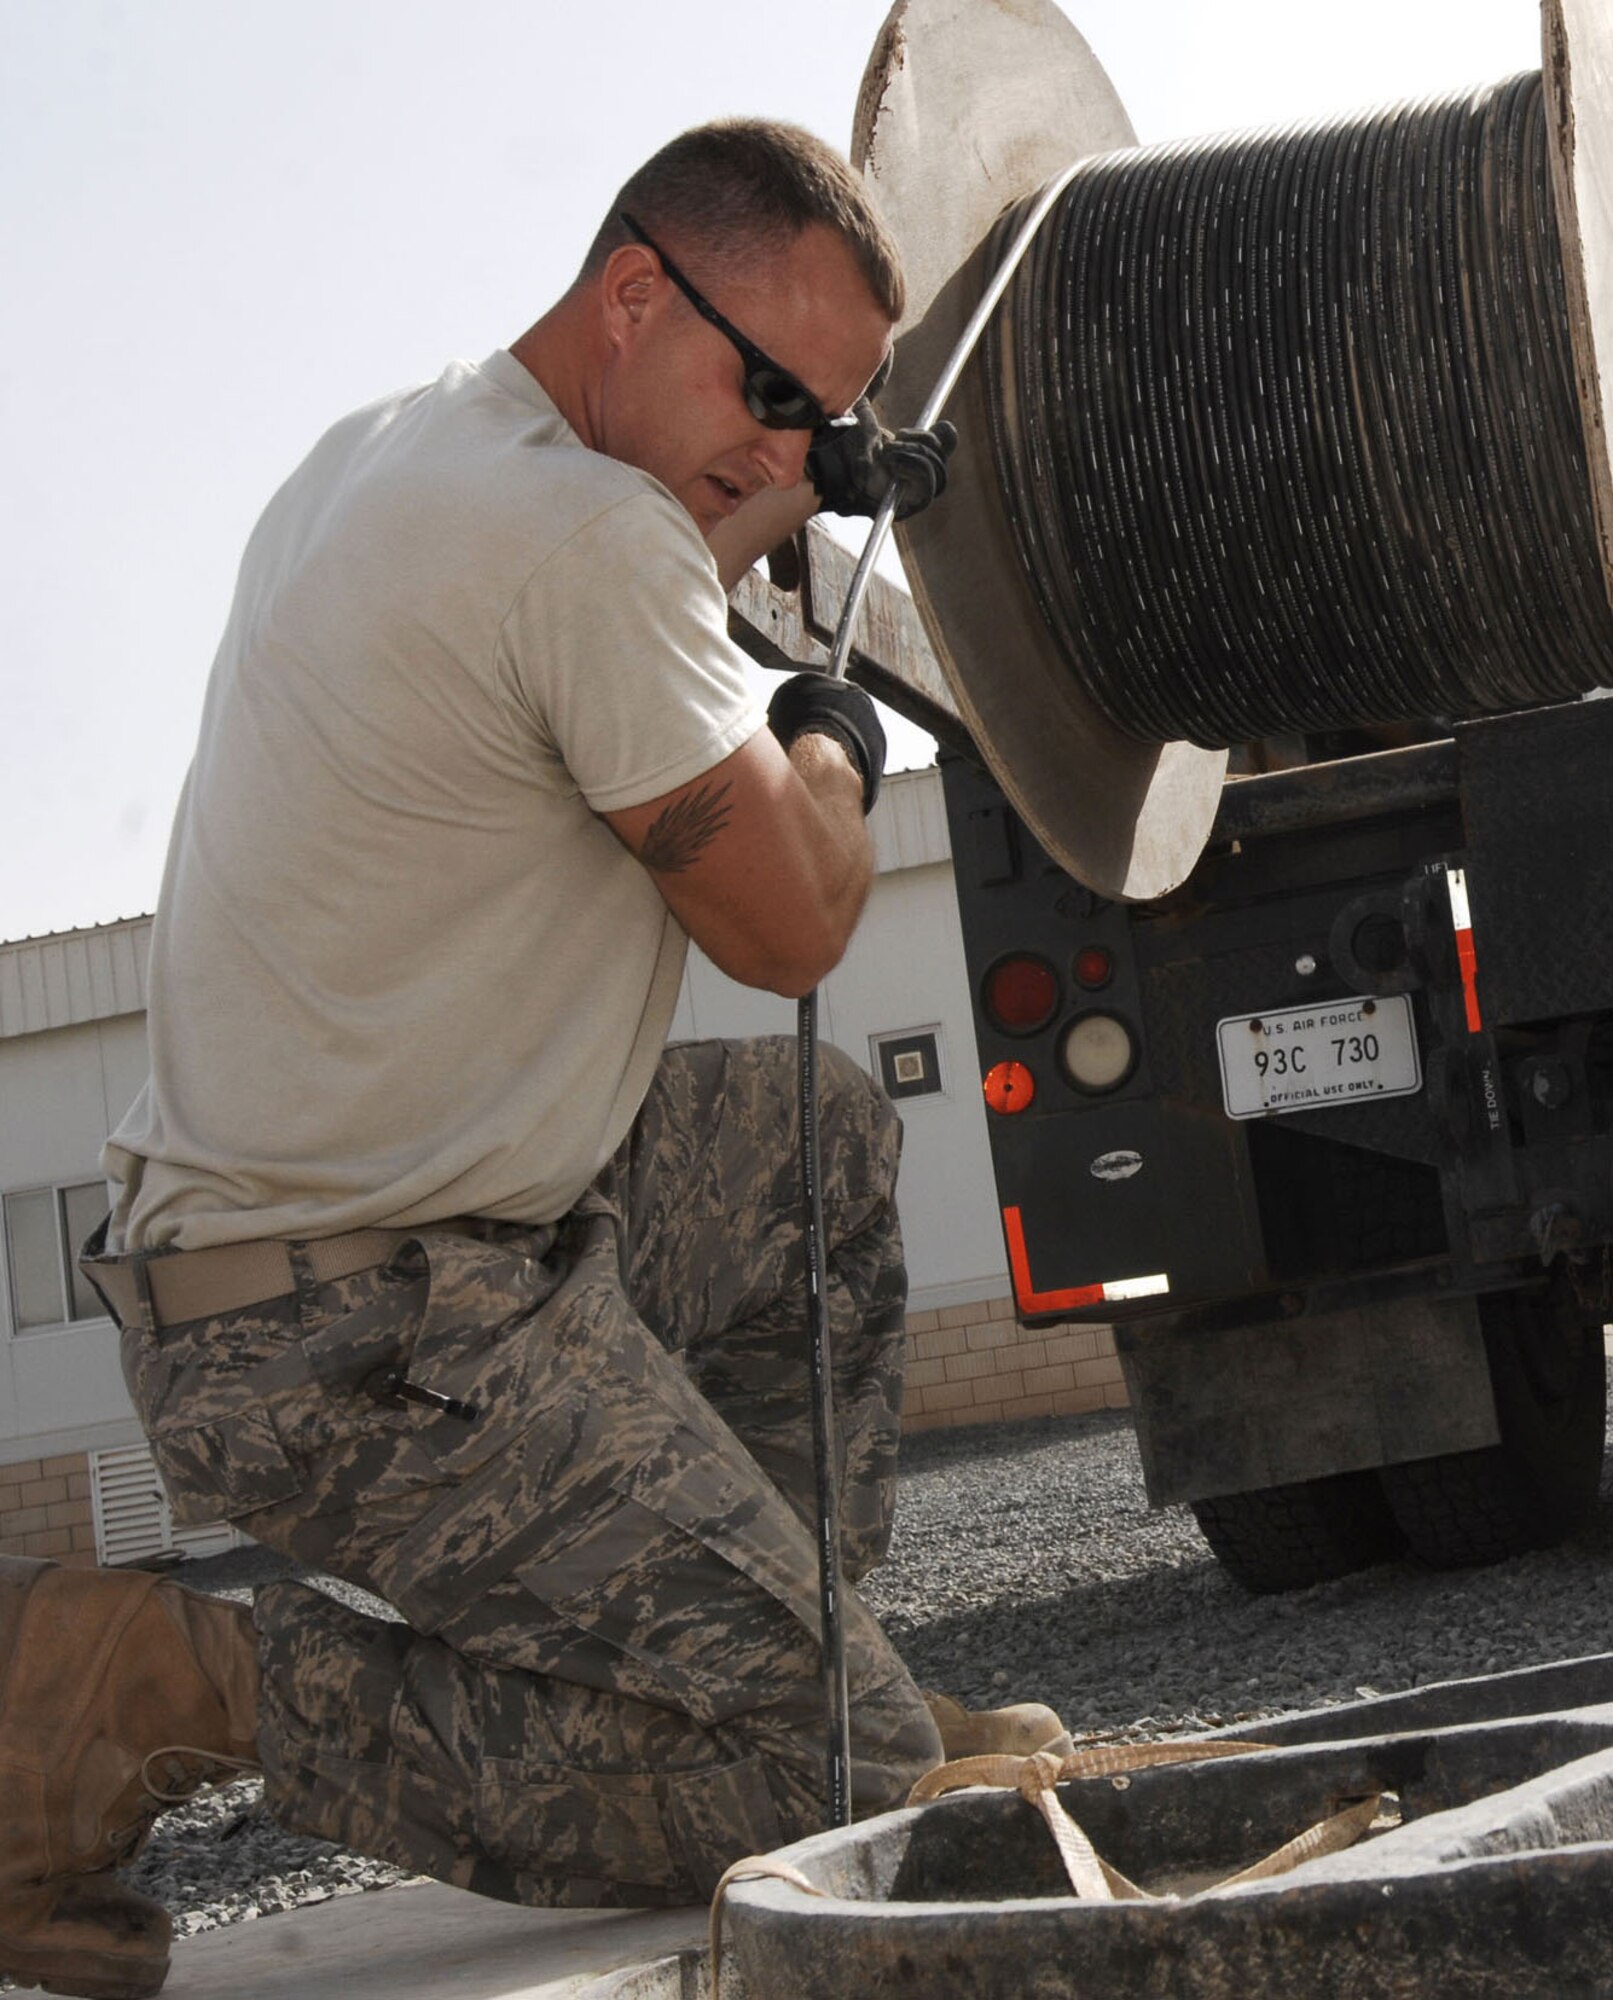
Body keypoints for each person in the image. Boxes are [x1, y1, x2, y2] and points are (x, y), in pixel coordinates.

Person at [0, 120, 1059, 2000]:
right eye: (765, 388)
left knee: (805, 1140)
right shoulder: (581, 541)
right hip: (351, 1335)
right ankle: (148, 1684)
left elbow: (614, 625)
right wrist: (828, 729)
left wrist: (746, 526)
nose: (784, 455)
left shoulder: (398, 445)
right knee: (841, 1783)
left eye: (824, 430)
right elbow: (795, 922)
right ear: (634, 290)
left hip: (369, 1247)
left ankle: (781, 1653)